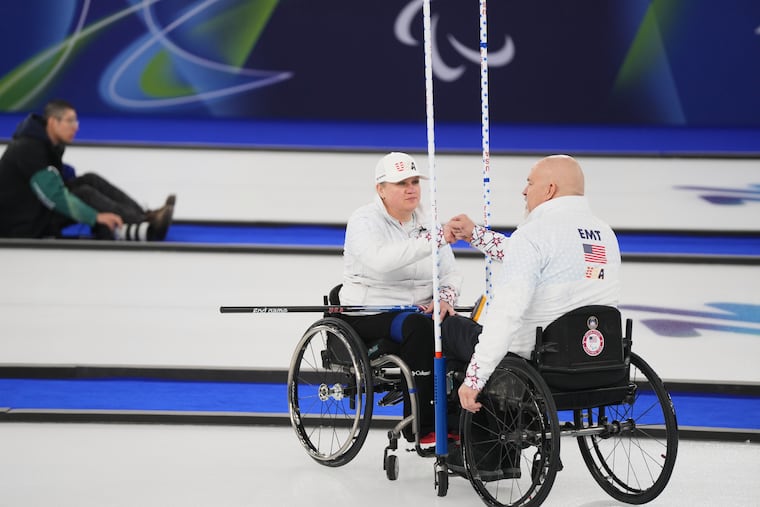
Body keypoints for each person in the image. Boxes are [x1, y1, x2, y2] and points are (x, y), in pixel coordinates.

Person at [441, 154, 622, 412]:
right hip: (597, 358)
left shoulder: (534, 234)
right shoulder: (605, 233)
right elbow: (532, 255)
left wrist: (474, 379)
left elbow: (507, 313)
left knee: (450, 329)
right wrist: (476, 235)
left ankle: (463, 439)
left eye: (529, 183)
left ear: (549, 190)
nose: (524, 191)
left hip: (539, 361)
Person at [337, 151, 470, 445]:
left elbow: (451, 274)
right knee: (419, 328)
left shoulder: (429, 221)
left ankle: (462, 419)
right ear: (380, 189)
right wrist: (435, 240)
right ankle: (419, 425)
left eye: (414, 181)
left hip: (418, 312)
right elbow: (382, 261)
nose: (411, 189)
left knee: (463, 330)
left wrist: (446, 298)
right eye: (401, 183)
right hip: (371, 312)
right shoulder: (363, 221)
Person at [0, 99, 175, 241]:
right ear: (53, 122)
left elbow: (59, 176)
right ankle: (144, 224)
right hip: (20, 225)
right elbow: (53, 195)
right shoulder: (29, 148)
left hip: (34, 209)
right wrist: (95, 217)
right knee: (83, 194)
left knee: (90, 179)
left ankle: (145, 216)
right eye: (70, 121)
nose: (76, 127)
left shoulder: (48, 144)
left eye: (76, 121)